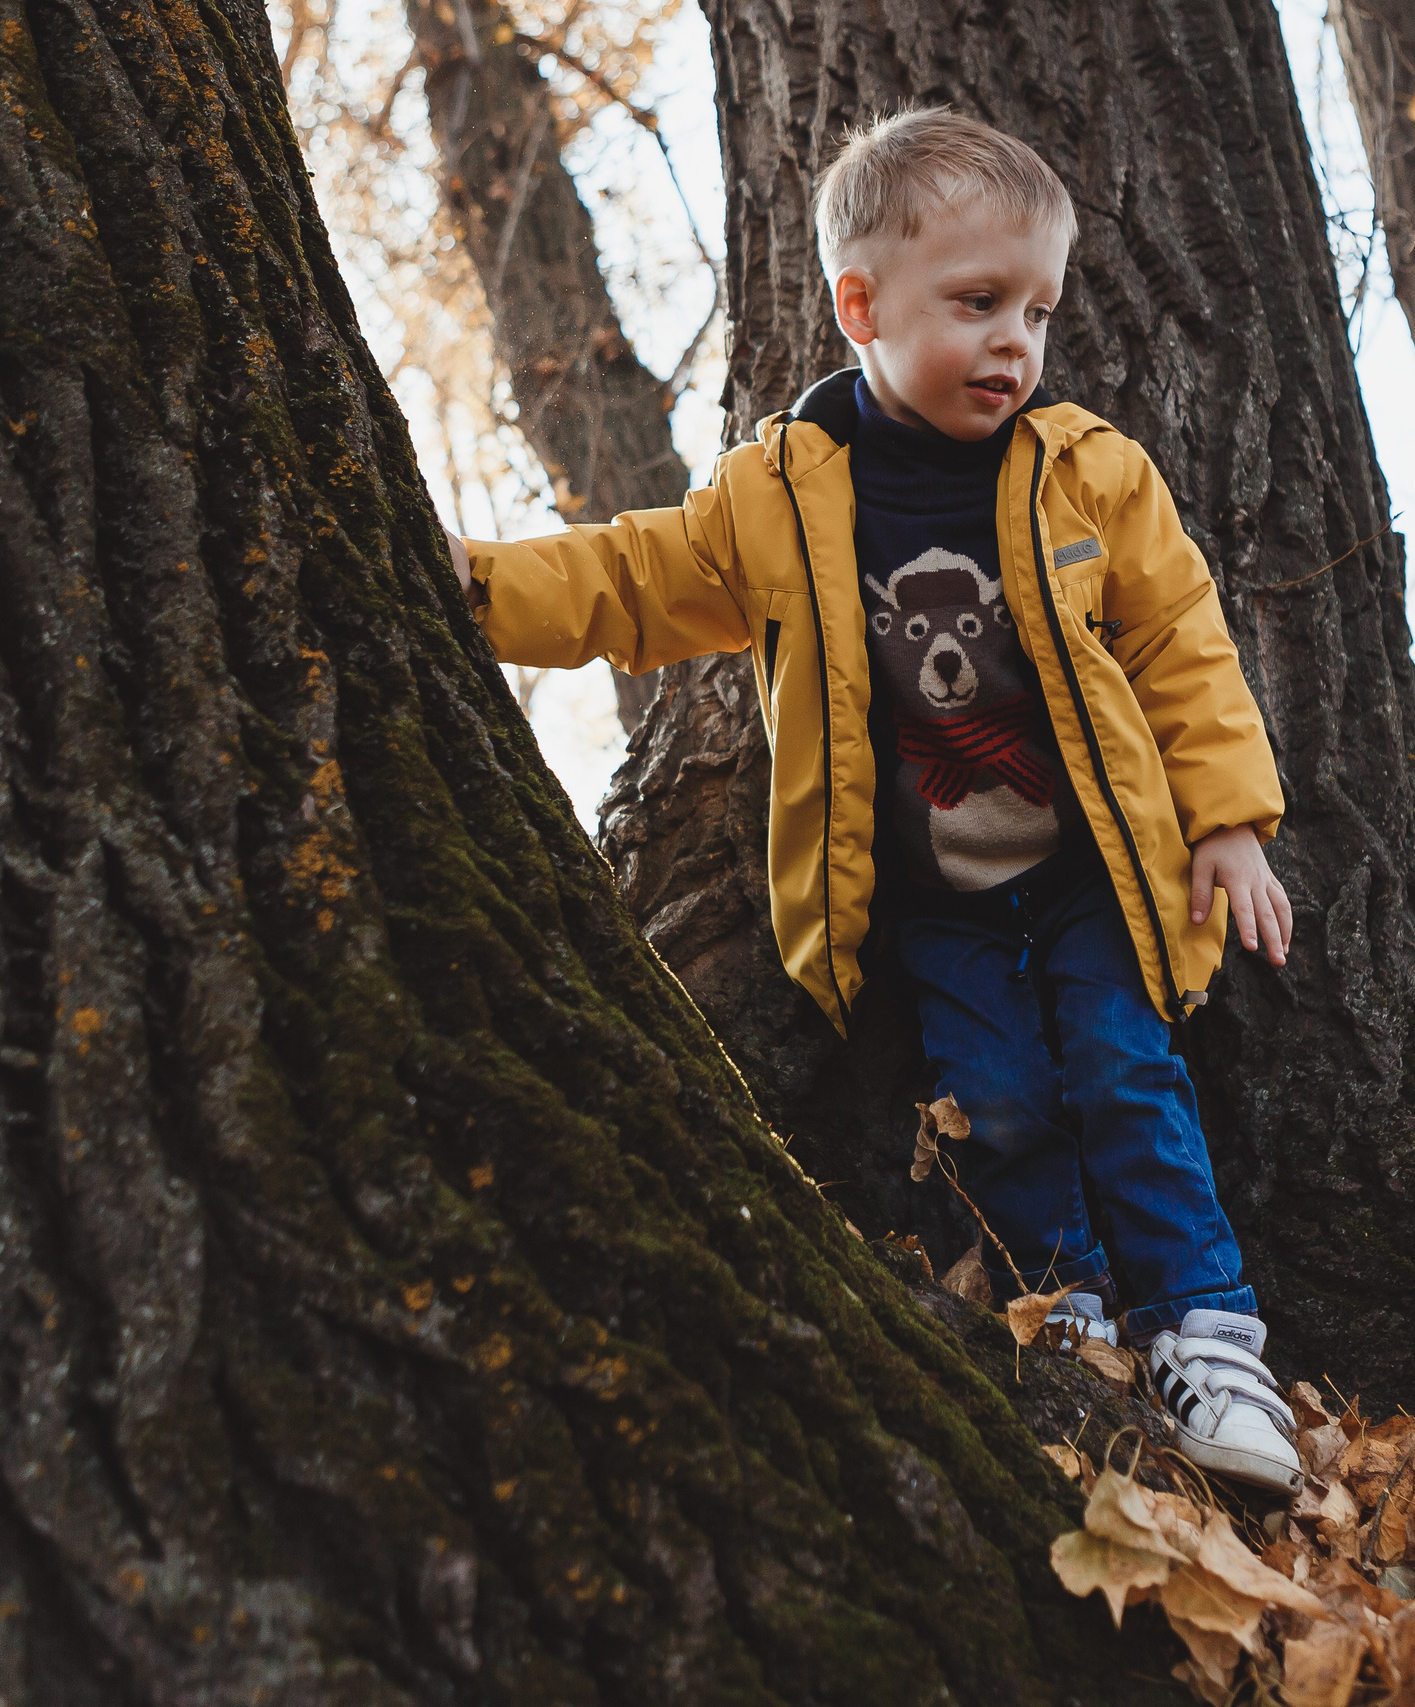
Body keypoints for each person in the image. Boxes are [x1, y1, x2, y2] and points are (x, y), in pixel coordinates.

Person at [451, 108, 1302, 1494]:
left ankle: (1208, 1335)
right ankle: (1070, 1315)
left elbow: (1180, 645)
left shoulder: (1088, 470)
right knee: (998, 1101)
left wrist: (1227, 819)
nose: (1016, 342)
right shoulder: (783, 496)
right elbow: (632, 578)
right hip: (932, 899)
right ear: (862, 305)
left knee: (1125, 1073)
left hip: (1095, 870)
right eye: (977, 304)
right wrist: (477, 586)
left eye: (1037, 308)